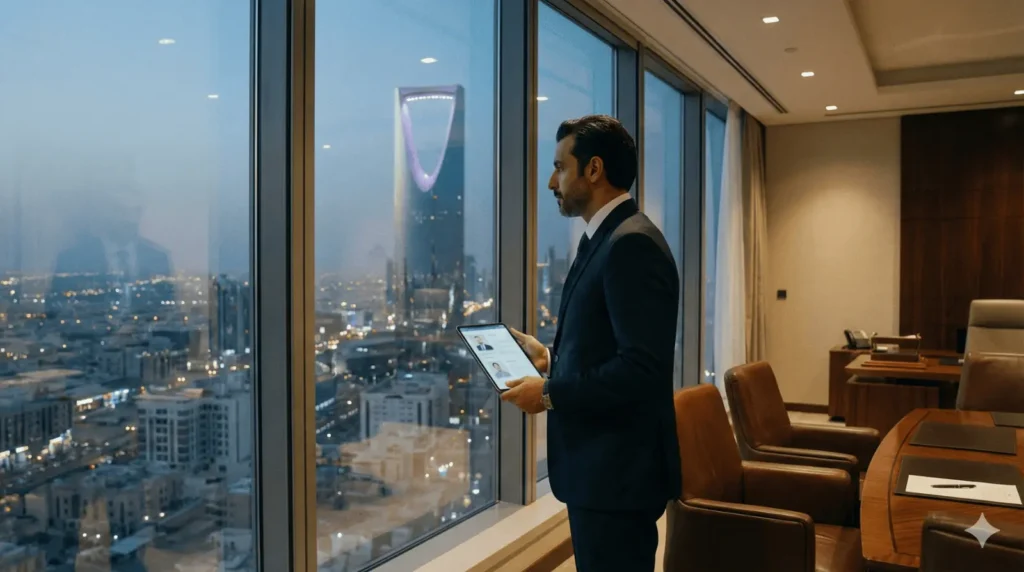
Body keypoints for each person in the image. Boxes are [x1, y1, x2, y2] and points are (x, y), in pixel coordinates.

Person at [501, 115, 681, 571]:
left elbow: (640, 370)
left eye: (560, 167)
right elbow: (613, 344)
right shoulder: (609, 236)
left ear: (594, 169)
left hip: (616, 474)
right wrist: (549, 358)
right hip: (604, 471)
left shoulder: (629, 244)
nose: (550, 182)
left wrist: (547, 393)